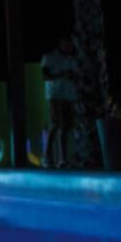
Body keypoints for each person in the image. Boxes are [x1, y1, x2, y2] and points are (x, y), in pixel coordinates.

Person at [41, 37, 79, 168]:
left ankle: (63, 158)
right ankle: (48, 156)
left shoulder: (71, 59)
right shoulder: (49, 57)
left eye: (70, 44)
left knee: (66, 127)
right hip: (55, 95)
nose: (69, 46)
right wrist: (62, 75)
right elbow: (45, 76)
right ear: (60, 43)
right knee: (55, 125)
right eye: (66, 43)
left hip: (69, 96)